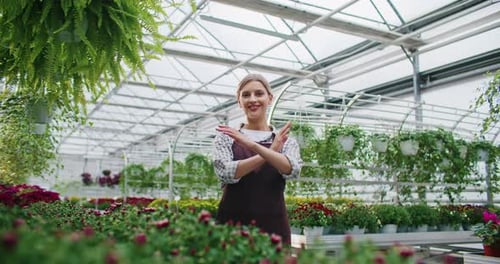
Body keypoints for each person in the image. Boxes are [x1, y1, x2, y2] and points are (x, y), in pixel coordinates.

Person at [213, 73, 302, 244]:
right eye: (246, 95)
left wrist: (253, 146)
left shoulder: (285, 140)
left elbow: (292, 169)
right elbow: (226, 172)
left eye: (259, 93)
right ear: (239, 101)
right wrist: (271, 151)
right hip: (232, 227)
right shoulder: (226, 137)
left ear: (269, 98)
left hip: (274, 228)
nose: (252, 99)